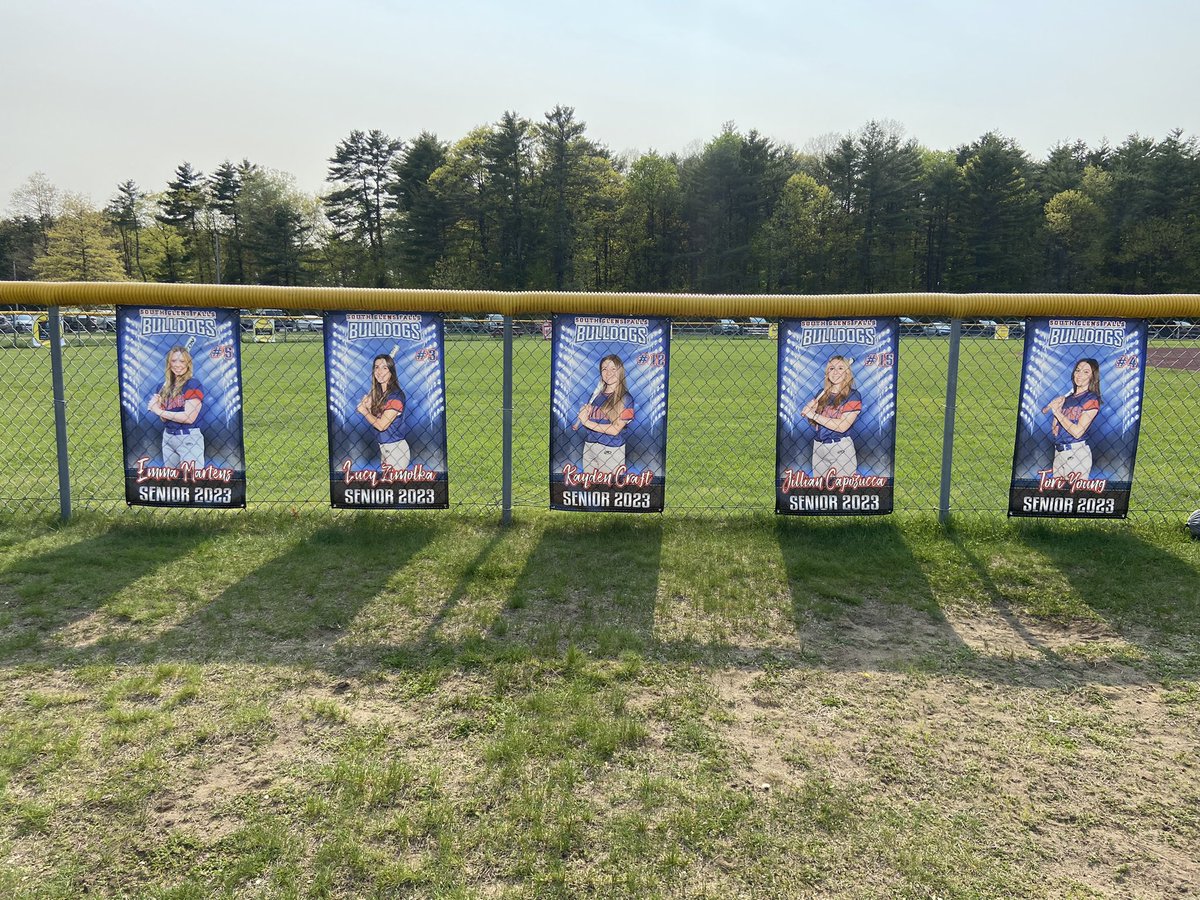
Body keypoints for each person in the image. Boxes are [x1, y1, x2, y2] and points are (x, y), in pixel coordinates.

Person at [801, 355, 862, 476]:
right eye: (831, 369)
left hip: (841, 449)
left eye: (840, 368)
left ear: (847, 373)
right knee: (819, 492)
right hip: (819, 448)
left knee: (842, 491)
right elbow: (816, 424)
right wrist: (810, 414)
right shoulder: (821, 394)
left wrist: (814, 415)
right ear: (827, 373)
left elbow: (842, 426)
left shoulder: (853, 396)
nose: (835, 372)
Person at [1042, 357, 1101, 479]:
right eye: (1077, 370)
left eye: (1086, 372)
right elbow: (1055, 430)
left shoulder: (1091, 399)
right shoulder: (1068, 399)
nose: (1079, 375)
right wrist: (1056, 412)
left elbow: (1077, 432)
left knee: (1075, 496)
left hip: (1076, 454)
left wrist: (1058, 413)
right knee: (1057, 497)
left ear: (1092, 376)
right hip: (1059, 453)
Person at [576, 354, 635, 474]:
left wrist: (586, 422)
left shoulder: (627, 399)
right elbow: (592, 420)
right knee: (590, 489)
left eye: (613, 369)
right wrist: (584, 413)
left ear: (620, 371)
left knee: (609, 490)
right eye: (604, 369)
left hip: (611, 449)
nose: (608, 373)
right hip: (589, 446)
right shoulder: (596, 395)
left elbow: (615, 430)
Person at [147, 345, 205, 468]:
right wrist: (157, 405)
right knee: (172, 483)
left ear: (188, 363)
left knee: (192, 481)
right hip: (168, 438)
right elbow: (164, 419)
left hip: (189, 439)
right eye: (174, 361)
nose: (178, 365)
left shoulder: (193, 384)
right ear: (169, 363)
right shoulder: (162, 387)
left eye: (182, 361)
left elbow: (189, 417)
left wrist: (158, 411)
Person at [357, 354, 408, 470]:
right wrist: (369, 408)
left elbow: (381, 426)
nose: (379, 371)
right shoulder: (382, 395)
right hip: (385, 449)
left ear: (391, 372)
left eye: (384, 368)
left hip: (396, 451)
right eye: (376, 367)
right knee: (387, 487)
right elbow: (378, 419)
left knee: (394, 487)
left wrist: (364, 411)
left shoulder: (395, 397)